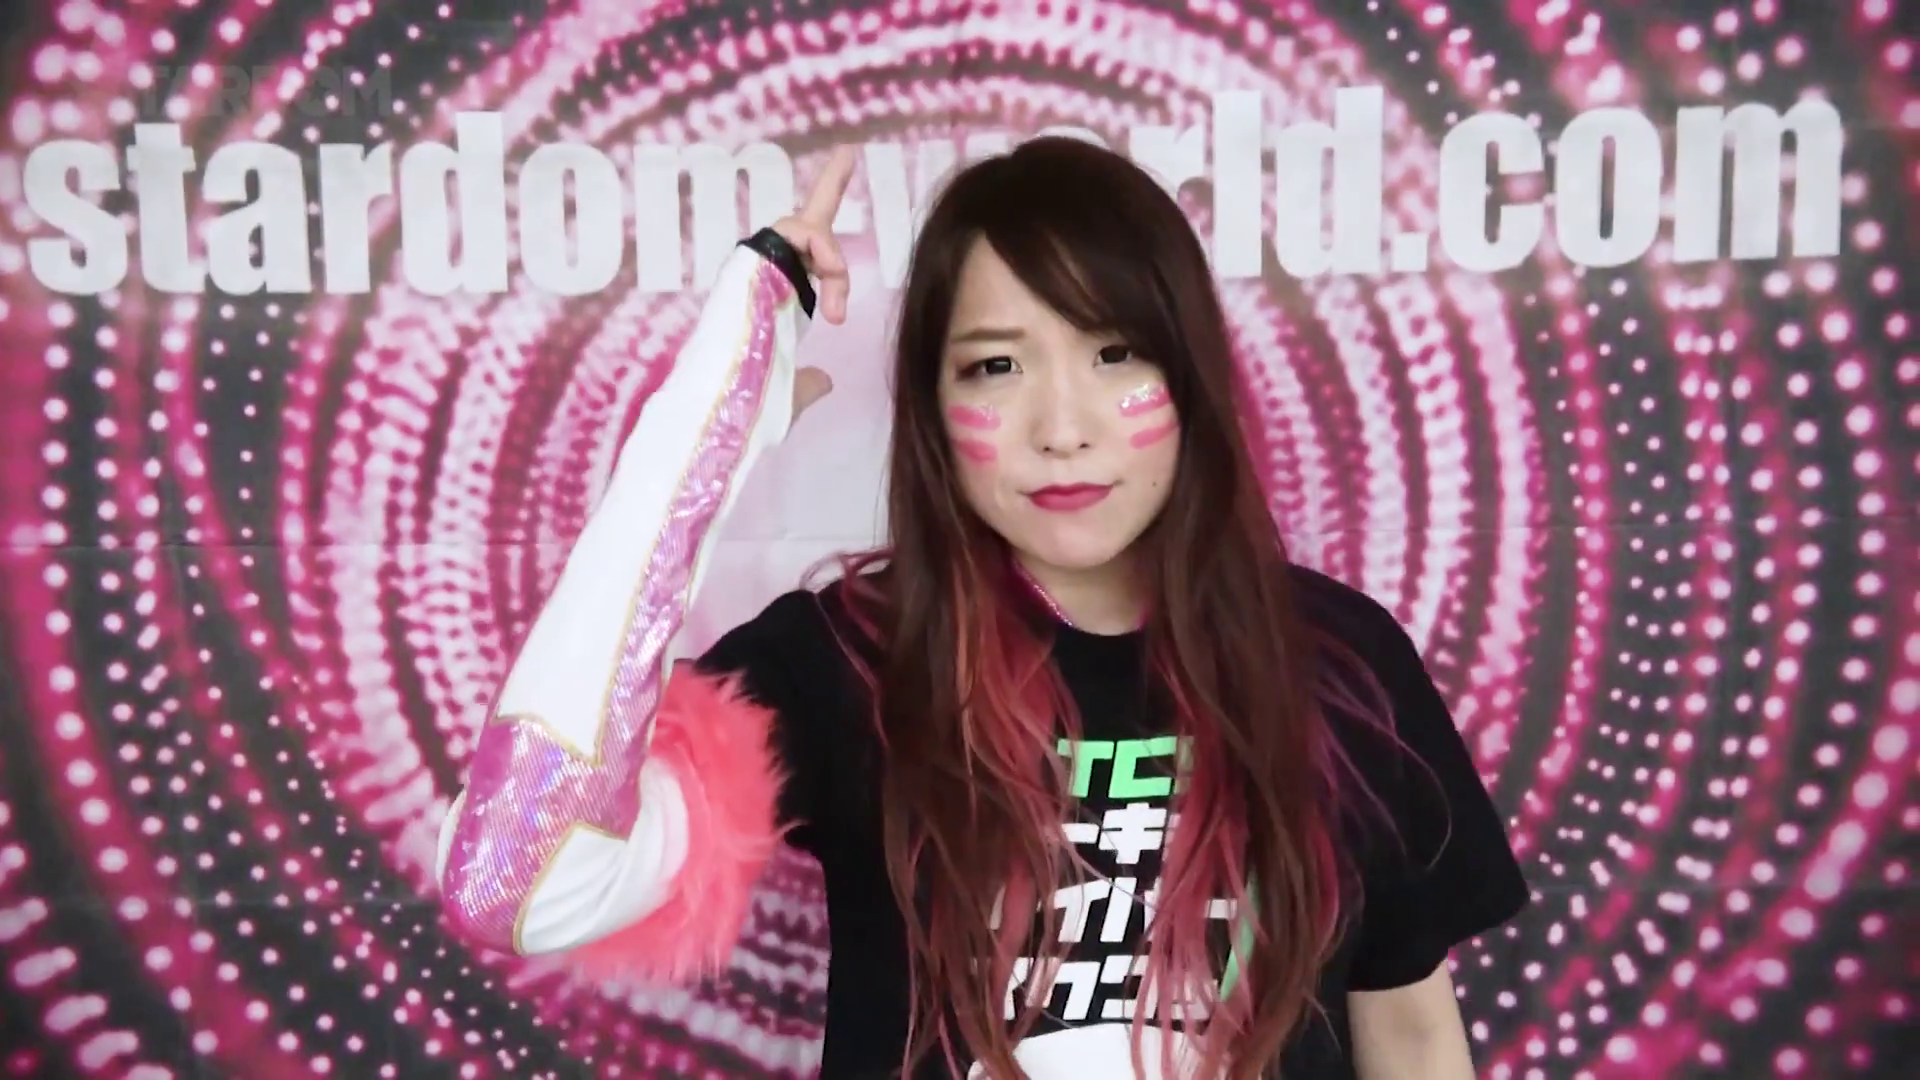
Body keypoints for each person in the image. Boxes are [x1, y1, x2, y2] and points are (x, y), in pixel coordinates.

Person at [435, 137, 1530, 1080]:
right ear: (932, 405)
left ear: (1191, 374)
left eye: (1115, 354)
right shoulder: (850, 660)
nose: (1062, 427)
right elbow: (516, 878)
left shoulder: (1339, 662)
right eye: (996, 366)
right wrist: (694, 441)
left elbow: (1411, 1025)